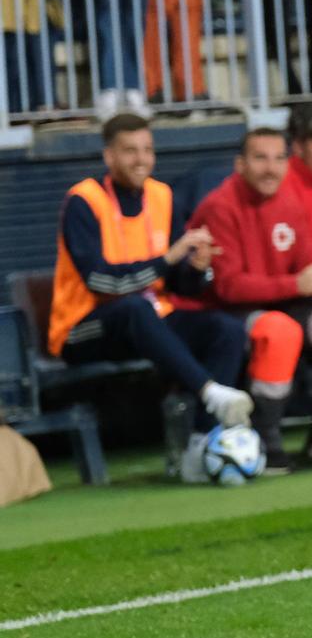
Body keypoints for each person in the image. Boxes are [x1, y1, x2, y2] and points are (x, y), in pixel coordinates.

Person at [48, 113, 253, 482]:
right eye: (130, 151)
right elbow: (101, 282)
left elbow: (179, 285)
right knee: (133, 309)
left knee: (226, 329)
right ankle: (210, 393)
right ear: (109, 156)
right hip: (82, 330)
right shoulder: (83, 201)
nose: (141, 159)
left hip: (147, 321)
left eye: (147, 150)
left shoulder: (162, 196)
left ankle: (199, 444)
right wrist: (169, 258)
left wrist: (196, 268)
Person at [187, 127, 312, 468]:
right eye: (260, 158)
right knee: (280, 330)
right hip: (227, 315)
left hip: (286, 304)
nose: (271, 168)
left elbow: (304, 269)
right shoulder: (220, 207)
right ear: (240, 164)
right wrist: (298, 284)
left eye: (279, 158)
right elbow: (228, 288)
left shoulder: (288, 202)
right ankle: (265, 440)